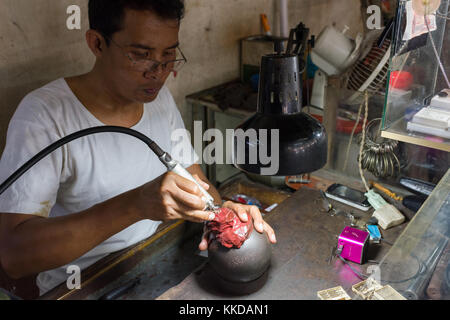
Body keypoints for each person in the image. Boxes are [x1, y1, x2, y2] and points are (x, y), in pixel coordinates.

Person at [0, 0, 276, 296]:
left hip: (152, 259)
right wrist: (135, 205)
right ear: (97, 43)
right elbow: (14, 256)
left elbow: (195, 181)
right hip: (82, 284)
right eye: (140, 55)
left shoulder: (158, 99)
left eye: (169, 54)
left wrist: (221, 213)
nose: (158, 72)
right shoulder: (44, 115)